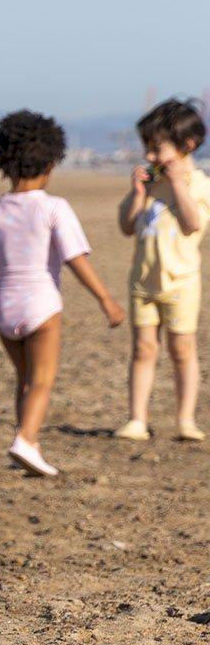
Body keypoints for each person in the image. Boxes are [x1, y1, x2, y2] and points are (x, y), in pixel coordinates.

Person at [0, 109, 125, 477]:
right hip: (41, 303)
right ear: (52, 161)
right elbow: (75, 259)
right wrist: (105, 298)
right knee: (42, 380)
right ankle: (25, 439)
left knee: (24, 379)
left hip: (5, 307)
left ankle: (30, 445)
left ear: (2, 161)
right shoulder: (54, 207)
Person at [115, 98, 210, 442]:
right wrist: (137, 193)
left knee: (182, 350)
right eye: (147, 149)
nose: (150, 157)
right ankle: (137, 419)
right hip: (143, 282)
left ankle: (185, 419)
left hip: (182, 283)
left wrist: (179, 185)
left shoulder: (199, 185)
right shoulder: (150, 187)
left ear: (188, 146)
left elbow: (192, 224)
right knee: (143, 349)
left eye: (157, 149)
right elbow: (126, 225)